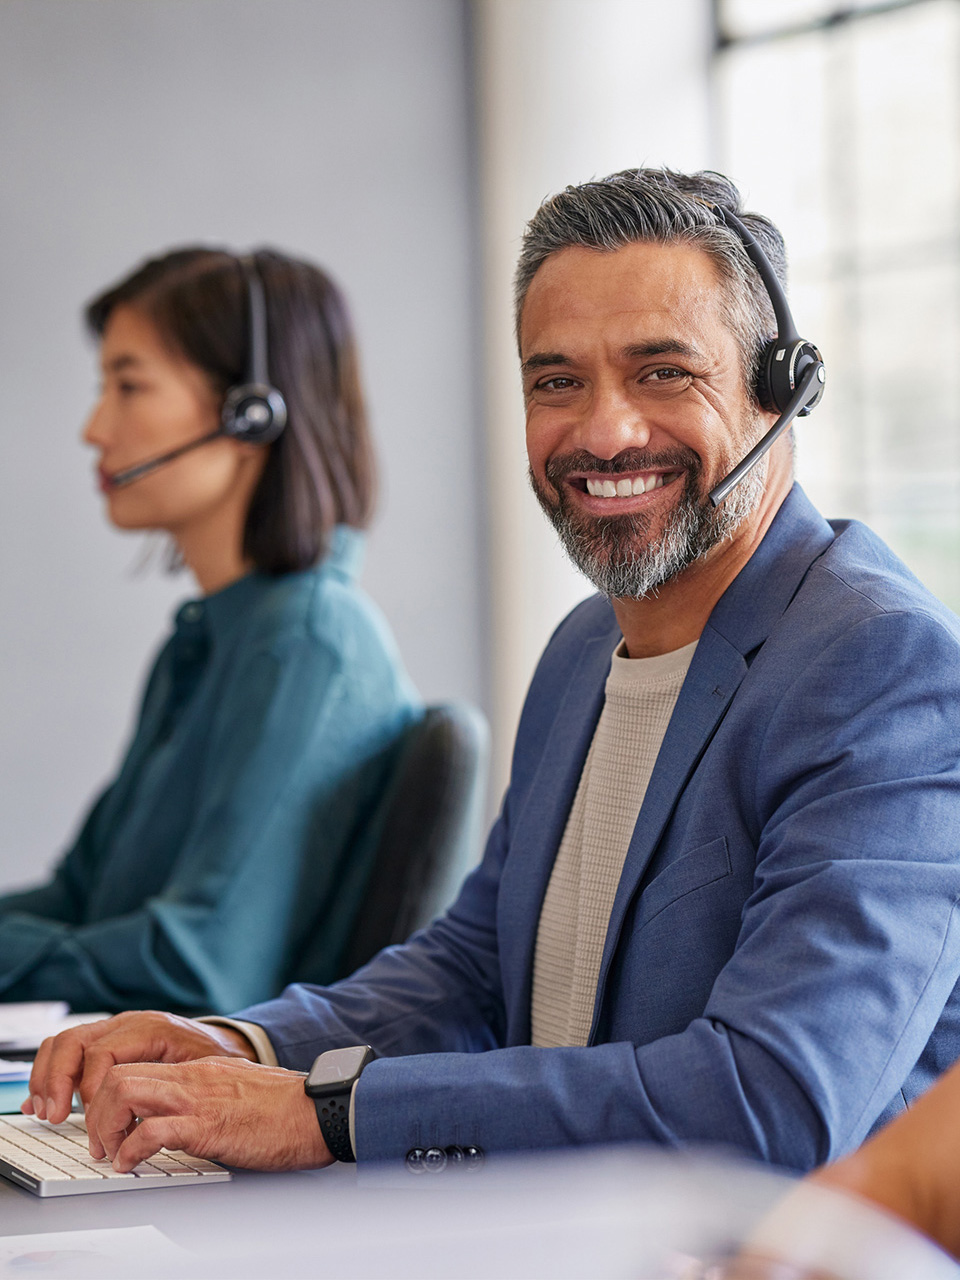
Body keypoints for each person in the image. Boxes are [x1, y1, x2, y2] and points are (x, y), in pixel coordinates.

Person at [25, 170, 960, 1180]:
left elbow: (770, 1094)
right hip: (555, 1223)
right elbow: (475, 967)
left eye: (663, 374)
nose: (604, 432)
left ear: (781, 388)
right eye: (557, 381)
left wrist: (333, 1112)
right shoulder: (579, 650)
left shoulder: (885, 666)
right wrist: (238, 1045)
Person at [0, 247, 420, 1015]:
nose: (96, 428)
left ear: (249, 413)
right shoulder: (204, 641)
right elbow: (81, 896)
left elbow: (197, 968)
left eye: (128, 386)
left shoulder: (308, 644)